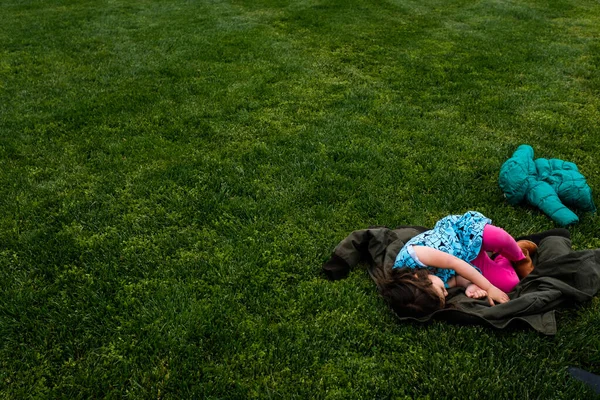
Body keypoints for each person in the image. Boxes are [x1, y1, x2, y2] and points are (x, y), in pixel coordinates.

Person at [379, 211, 536, 317]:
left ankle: (519, 257)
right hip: (469, 261)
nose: (446, 293)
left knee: (499, 237)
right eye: (444, 295)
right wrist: (470, 285)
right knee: (510, 284)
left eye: (442, 290)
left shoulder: (415, 256)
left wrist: (489, 288)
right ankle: (504, 256)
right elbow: (456, 279)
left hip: (462, 236)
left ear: (419, 278)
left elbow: (455, 263)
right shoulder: (429, 289)